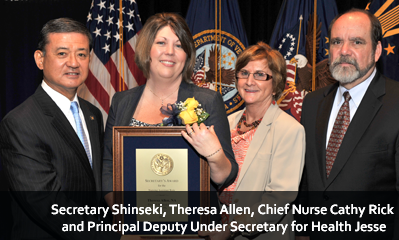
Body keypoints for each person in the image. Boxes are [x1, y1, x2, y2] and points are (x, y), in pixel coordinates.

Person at [300, 8, 399, 239]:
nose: (344, 51)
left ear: (376, 51)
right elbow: (307, 179)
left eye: (356, 42)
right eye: (337, 41)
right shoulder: (313, 103)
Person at [0, 18, 127, 239]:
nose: (73, 63)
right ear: (40, 59)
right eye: (62, 54)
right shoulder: (20, 122)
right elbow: (48, 205)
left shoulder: (92, 114)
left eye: (82, 54)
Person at [102, 12, 238, 206]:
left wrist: (214, 155)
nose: (170, 52)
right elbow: (109, 166)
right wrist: (122, 215)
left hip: (191, 225)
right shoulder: (121, 101)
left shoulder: (207, 100)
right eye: (161, 43)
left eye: (179, 45)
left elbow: (226, 176)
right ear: (147, 48)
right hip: (135, 224)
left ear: (187, 55)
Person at [185, 42, 305, 240]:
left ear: (275, 84)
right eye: (244, 73)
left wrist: (231, 228)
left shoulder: (290, 130)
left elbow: (278, 198)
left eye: (260, 75)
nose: (250, 81)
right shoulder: (225, 122)